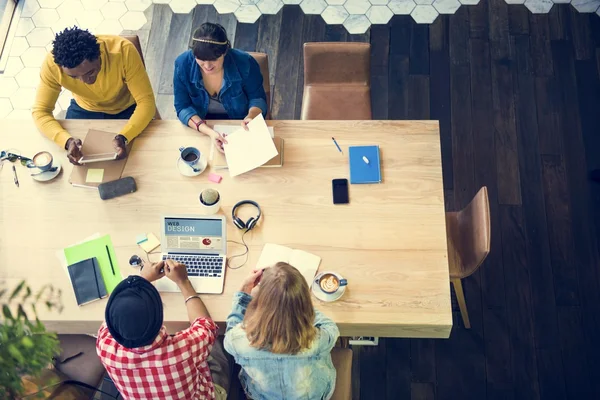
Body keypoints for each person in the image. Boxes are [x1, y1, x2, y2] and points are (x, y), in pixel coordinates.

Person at [96, 260, 229, 400]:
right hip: (202, 394)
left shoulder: (105, 347)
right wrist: (183, 282)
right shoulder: (183, 350)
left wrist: (143, 278)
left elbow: (111, 316)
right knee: (219, 344)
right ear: (160, 317)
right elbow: (206, 326)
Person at [32, 27, 156, 165]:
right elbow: (40, 112)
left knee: (141, 160)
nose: (84, 81)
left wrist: (124, 137)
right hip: (84, 108)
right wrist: (67, 141)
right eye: (73, 77)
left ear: (99, 55)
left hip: (126, 107)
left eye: (90, 72)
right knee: (71, 164)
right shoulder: (52, 65)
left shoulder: (123, 51)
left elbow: (146, 102)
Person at [224, 262, 339, 400]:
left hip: (262, 396)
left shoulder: (239, 340)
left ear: (261, 301)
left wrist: (244, 291)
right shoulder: (316, 339)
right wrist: (299, 306)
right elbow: (331, 328)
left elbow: (230, 332)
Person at [173, 23, 268, 153]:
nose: (207, 66)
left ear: (225, 52)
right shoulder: (182, 64)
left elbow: (257, 98)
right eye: (200, 59)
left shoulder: (245, 62)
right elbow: (182, 107)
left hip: (239, 124)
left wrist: (251, 117)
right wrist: (209, 132)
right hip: (201, 126)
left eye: (214, 59)